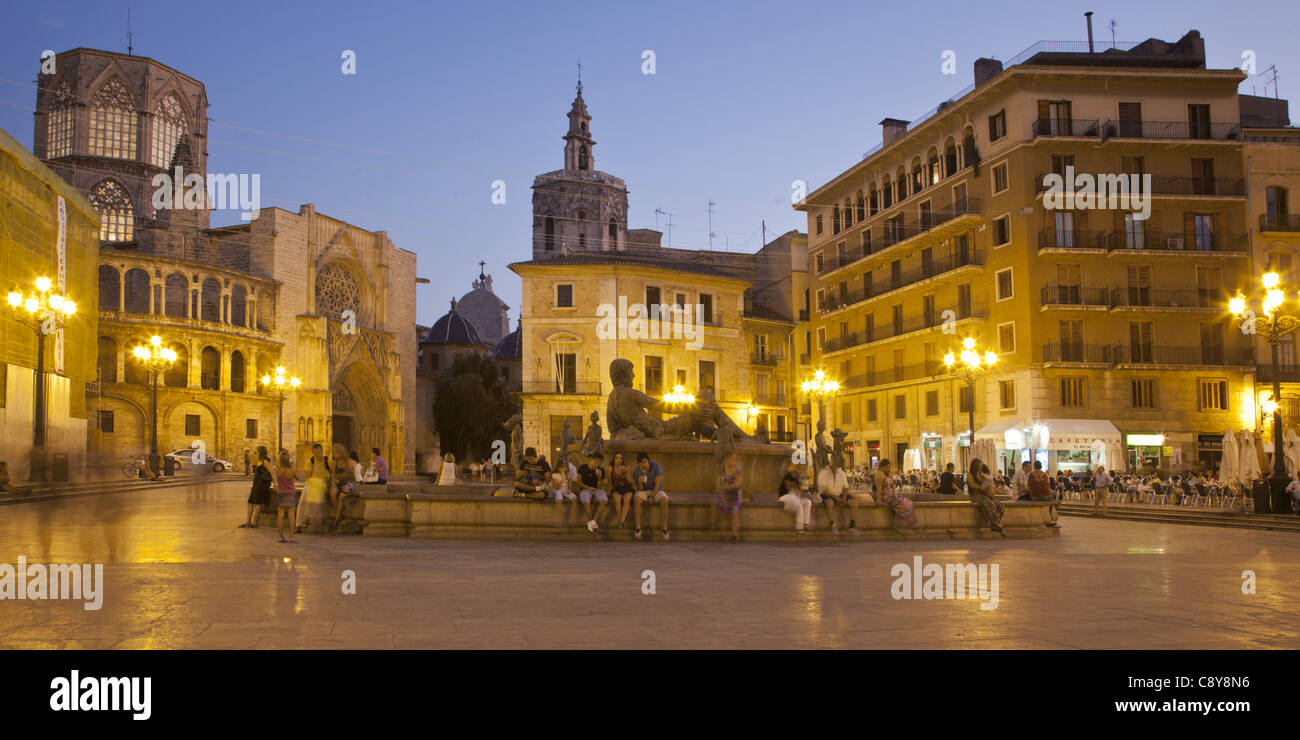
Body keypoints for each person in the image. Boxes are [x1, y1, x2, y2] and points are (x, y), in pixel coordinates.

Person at [632, 452, 670, 541]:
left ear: (648, 461)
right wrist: (640, 482)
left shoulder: (656, 466)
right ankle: (638, 528)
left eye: (645, 462)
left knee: (664, 500)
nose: (643, 464)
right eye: (641, 463)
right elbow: (639, 489)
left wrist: (651, 497)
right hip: (644, 491)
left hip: (656, 490)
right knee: (636, 499)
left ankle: (664, 529)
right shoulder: (636, 471)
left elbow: (657, 484)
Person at [817, 454, 859, 535]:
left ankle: (852, 526)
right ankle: (832, 525)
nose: (837, 463)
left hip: (839, 494)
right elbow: (822, 490)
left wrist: (844, 496)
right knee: (830, 503)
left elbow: (846, 487)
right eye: (835, 461)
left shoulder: (841, 473)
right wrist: (835, 497)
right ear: (831, 461)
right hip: (827, 494)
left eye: (839, 461)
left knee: (854, 503)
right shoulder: (823, 473)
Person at [874, 458, 916, 530]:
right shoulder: (880, 475)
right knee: (907, 505)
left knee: (908, 504)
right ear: (881, 467)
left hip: (891, 496)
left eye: (888, 467)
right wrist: (879, 500)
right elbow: (879, 488)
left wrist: (895, 495)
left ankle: (901, 524)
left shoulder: (886, 474)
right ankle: (900, 525)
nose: (887, 469)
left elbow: (892, 486)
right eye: (885, 468)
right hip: (886, 496)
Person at [966, 458, 1004, 534]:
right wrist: (981, 488)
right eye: (979, 466)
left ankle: (994, 524)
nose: (981, 468)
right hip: (975, 496)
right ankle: (996, 523)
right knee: (989, 504)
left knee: (1000, 505)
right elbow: (971, 485)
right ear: (975, 466)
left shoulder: (981, 474)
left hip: (984, 495)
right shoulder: (970, 475)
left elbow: (988, 483)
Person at [713, 452, 744, 543]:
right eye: (731, 458)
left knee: (734, 512)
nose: (733, 461)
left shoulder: (737, 471)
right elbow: (717, 485)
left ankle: (734, 535)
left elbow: (738, 485)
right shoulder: (721, 471)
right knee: (721, 510)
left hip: (734, 494)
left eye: (734, 459)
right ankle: (722, 534)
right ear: (726, 460)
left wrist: (724, 488)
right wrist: (721, 492)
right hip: (723, 494)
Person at [299, 444, 330, 534]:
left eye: (319, 452)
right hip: (313, 485)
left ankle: (315, 527)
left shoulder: (328, 461)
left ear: (322, 451)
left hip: (323, 485)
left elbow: (332, 473)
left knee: (317, 507)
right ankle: (302, 523)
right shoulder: (310, 462)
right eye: (315, 452)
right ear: (312, 453)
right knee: (307, 503)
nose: (317, 454)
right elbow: (307, 477)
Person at [239, 446, 272, 528]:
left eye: (256, 451)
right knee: (250, 502)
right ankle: (248, 522)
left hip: (262, 484)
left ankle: (254, 522)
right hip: (256, 483)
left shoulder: (265, 461)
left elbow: (272, 472)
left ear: (260, 452)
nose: (254, 452)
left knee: (257, 503)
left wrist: (276, 484)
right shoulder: (259, 461)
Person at [576, 452, 609, 532]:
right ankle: (592, 522)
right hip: (585, 489)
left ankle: (593, 521)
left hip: (597, 489)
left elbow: (601, 486)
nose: (597, 463)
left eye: (599, 462)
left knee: (604, 500)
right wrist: (587, 487)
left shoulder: (601, 470)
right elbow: (578, 481)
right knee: (585, 500)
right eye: (596, 461)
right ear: (591, 459)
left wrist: (599, 478)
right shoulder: (582, 468)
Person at [779, 461, 814, 533]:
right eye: (800, 467)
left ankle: (805, 524)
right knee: (799, 505)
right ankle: (799, 527)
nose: (802, 469)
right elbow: (788, 488)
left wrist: (802, 496)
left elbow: (799, 491)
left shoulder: (798, 478)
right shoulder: (788, 476)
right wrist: (795, 487)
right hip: (785, 496)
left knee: (808, 502)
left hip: (794, 497)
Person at [275, 450, 299, 544]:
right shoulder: (291, 470)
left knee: (280, 515)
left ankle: (281, 537)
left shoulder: (278, 470)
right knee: (291, 516)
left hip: (281, 493)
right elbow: (298, 477)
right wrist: (292, 464)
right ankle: (292, 538)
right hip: (291, 494)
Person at [608, 452, 636, 528]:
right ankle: (622, 520)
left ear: (622, 460)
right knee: (617, 499)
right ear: (614, 459)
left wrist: (627, 474)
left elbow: (631, 481)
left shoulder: (626, 468)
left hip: (627, 487)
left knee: (626, 499)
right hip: (616, 488)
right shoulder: (610, 468)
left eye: (620, 458)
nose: (618, 460)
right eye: (616, 458)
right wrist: (608, 491)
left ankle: (621, 522)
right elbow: (609, 481)